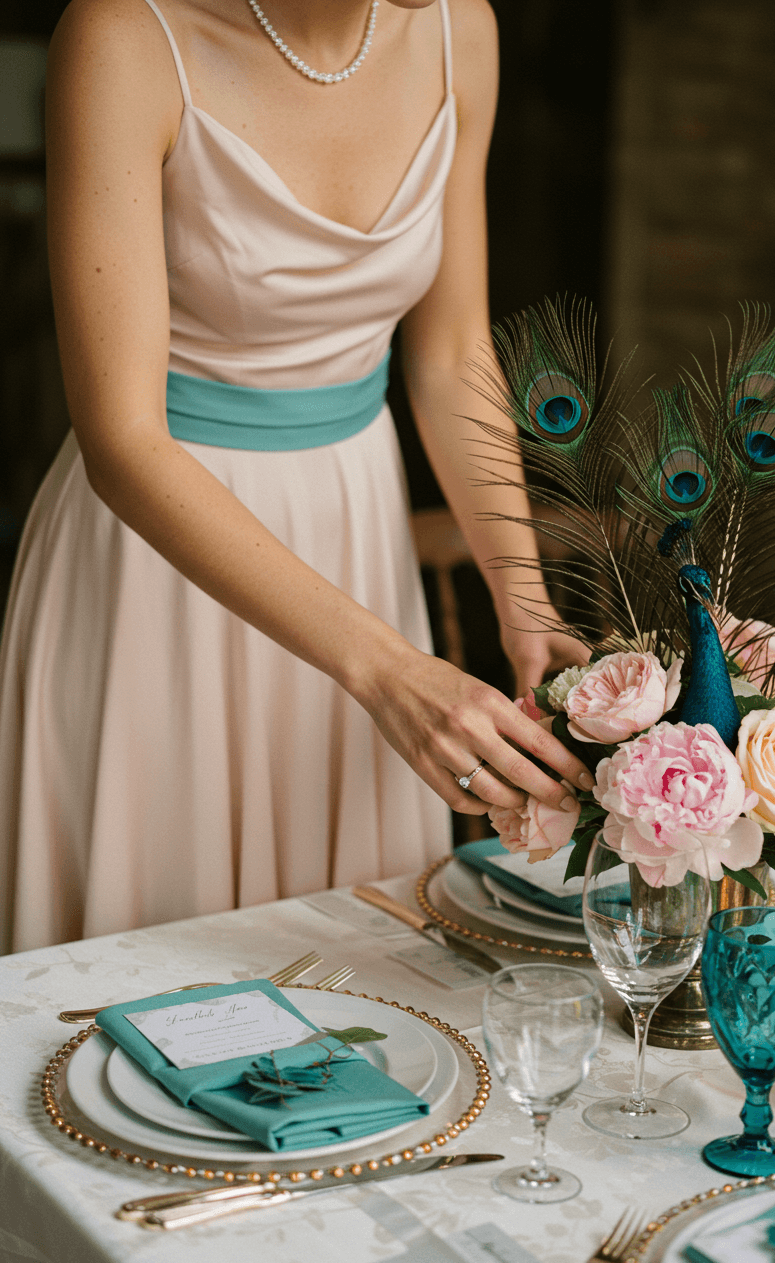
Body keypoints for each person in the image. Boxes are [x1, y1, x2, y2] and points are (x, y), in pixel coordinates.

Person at [0, 0, 591, 955]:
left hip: (356, 531)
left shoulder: (457, 30)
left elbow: (448, 355)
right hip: (163, 555)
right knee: (147, 980)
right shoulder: (124, 37)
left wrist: (522, 597)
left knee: (351, 976)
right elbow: (120, 437)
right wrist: (392, 669)